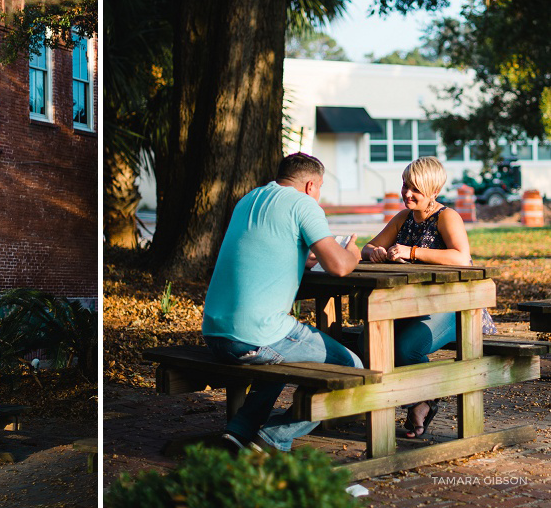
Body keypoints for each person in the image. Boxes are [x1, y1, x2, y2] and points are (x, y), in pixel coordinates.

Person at [202, 152, 363, 453]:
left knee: (280, 355)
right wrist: (352, 251)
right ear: (311, 185)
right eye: (321, 188)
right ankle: (271, 440)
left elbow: (267, 249)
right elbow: (339, 267)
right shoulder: (304, 204)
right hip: (255, 337)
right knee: (352, 369)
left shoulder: (249, 199)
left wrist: (306, 257)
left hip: (214, 333)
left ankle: (238, 432)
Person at [361, 155, 496, 438]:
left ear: (434, 192)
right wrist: (374, 252)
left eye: (416, 190)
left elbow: (462, 256)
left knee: (405, 348)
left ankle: (424, 401)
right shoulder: (403, 218)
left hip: (456, 307)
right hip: (415, 305)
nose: (407, 194)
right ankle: (417, 399)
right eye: (405, 186)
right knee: (368, 340)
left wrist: (411, 252)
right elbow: (368, 247)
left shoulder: (447, 217)